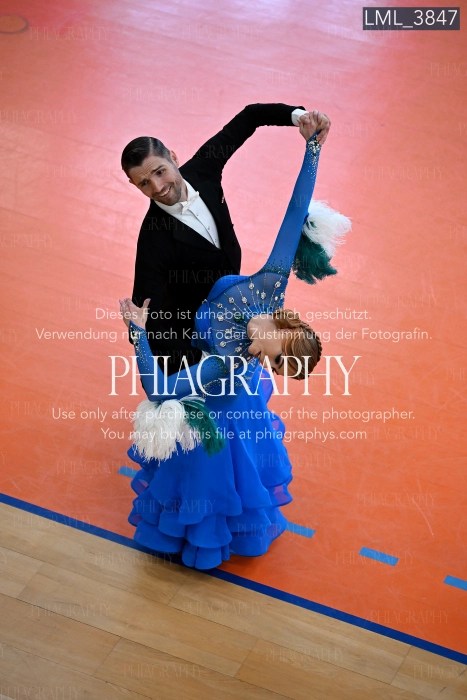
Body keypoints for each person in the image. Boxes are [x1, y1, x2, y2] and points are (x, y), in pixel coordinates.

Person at [119, 114, 350, 570]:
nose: (259, 360)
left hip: (219, 391)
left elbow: (160, 392)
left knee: (214, 474)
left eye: (270, 365)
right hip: (205, 363)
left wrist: (138, 336)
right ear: (286, 329)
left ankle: (208, 535)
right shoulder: (271, 284)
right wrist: (312, 148)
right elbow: (296, 209)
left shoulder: (228, 358)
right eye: (272, 356)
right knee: (227, 467)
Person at [122, 103, 331, 375]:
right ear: (134, 184)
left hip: (233, 311)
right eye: (144, 183)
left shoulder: (204, 168)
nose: (158, 187)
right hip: (196, 333)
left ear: (173, 157)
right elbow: (146, 319)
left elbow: (251, 116)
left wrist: (305, 125)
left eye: (160, 172)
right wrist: (194, 361)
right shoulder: (153, 241)